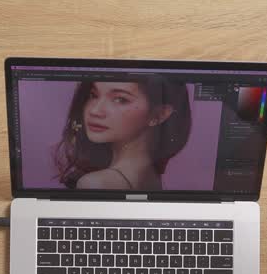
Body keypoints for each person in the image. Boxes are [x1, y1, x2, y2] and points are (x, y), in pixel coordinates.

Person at [53, 75, 191, 191]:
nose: (95, 110)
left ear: (159, 115)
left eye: (120, 99)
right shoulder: (150, 175)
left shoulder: (97, 183)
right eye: (93, 95)